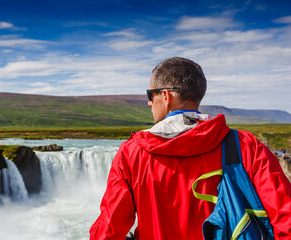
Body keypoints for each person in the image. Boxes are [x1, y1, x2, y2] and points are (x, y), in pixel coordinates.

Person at [89, 57, 291, 240]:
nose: (149, 103)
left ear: (166, 96)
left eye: (150, 95)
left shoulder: (132, 152)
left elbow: (110, 227)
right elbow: (285, 215)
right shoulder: (245, 146)